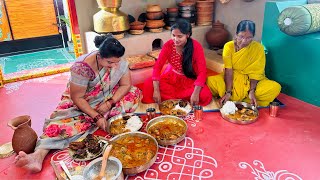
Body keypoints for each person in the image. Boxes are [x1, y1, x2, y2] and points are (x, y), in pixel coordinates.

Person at [14, 34, 142, 172]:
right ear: (99, 56)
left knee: (133, 93)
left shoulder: (116, 59)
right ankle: (38, 155)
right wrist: (96, 116)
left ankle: (101, 117)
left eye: (117, 62)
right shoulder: (82, 67)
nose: (115, 66)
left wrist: (110, 102)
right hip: (84, 100)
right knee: (64, 124)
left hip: (108, 96)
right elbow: (77, 98)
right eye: (110, 63)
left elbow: (126, 85)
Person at [207, 20, 281, 107]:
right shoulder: (228, 46)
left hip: (251, 82)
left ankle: (244, 99)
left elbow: (256, 73)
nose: (244, 41)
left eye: (249, 38)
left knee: (275, 87)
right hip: (232, 80)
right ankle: (244, 101)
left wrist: (252, 91)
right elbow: (228, 71)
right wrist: (228, 92)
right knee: (210, 82)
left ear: (253, 37)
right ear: (236, 34)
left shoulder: (258, 48)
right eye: (241, 36)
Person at [141, 19, 212, 106]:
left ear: (188, 35)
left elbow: (202, 72)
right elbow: (157, 67)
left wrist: (196, 93)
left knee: (205, 95)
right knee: (149, 84)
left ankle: (175, 99)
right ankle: (181, 100)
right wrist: (156, 90)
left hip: (189, 81)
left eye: (180, 36)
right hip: (171, 79)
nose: (175, 39)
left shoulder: (196, 47)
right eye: (173, 35)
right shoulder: (168, 45)